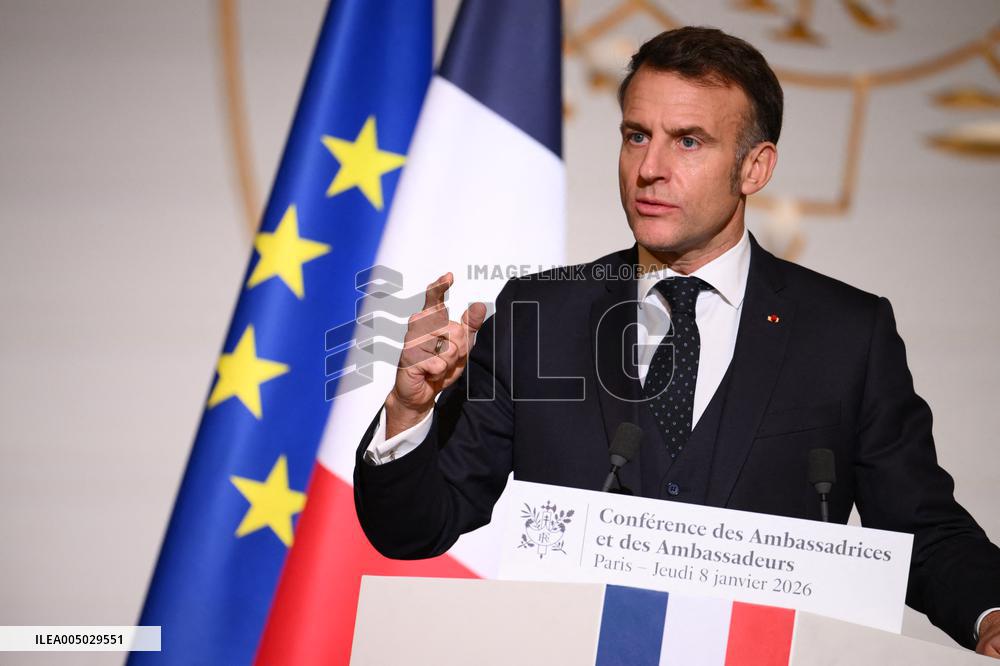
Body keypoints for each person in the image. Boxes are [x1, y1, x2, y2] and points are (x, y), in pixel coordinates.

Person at [353, 27, 1000, 656]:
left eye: (688, 141)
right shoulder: (538, 315)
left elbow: (923, 529)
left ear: (755, 167)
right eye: (637, 135)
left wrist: (992, 614)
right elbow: (415, 528)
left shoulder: (846, 334)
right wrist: (408, 412)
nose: (650, 169)